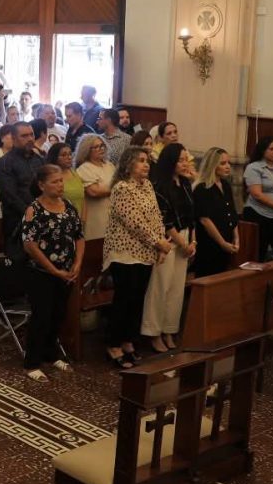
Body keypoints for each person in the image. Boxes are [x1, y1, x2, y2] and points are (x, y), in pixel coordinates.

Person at [103, 147, 171, 369]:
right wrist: (158, 242)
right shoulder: (122, 188)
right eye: (141, 160)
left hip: (145, 252)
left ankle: (128, 340)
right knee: (124, 299)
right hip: (124, 253)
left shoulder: (147, 185)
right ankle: (113, 344)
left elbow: (156, 216)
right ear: (128, 164)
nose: (146, 164)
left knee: (137, 299)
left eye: (147, 160)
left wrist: (161, 243)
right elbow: (135, 223)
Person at [20, 165, 83, 381]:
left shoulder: (69, 206)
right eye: (55, 182)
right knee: (42, 316)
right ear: (41, 185)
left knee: (58, 314)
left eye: (61, 181)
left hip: (66, 272)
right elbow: (30, 245)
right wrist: (53, 270)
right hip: (41, 272)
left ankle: (51, 353)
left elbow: (79, 236)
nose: (60, 185)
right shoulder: (34, 210)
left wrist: (77, 263)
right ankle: (32, 362)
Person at [143, 143, 195, 353]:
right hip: (167, 240)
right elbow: (165, 219)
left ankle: (169, 330)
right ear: (170, 161)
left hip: (185, 237)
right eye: (180, 160)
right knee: (161, 287)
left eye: (186, 159)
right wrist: (182, 243)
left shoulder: (185, 183)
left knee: (176, 289)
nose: (185, 163)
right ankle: (153, 332)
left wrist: (193, 241)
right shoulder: (160, 185)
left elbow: (192, 215)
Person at [0, 121, 44, 258]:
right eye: (24, 136)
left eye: (31, 135)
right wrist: (32, 214)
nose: (30, 139)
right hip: (17, 224)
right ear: (14, 139)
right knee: (18, 265)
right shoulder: (4, 163)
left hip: (42, 222)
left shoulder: (39, 160)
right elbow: (11, 196)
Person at [192, 147, 240, 277]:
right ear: (212, 166)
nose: (228, 166)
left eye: (228, 162)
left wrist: (236, 238)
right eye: (223, 163)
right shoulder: (202, 188)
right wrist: (222, 243)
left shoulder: (226, 185)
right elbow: (205, 220)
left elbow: (232, 213)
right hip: (209, 242)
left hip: (227, 240)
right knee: (207, 276)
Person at [242, 136, 273, 260]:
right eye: (272, 149)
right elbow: (257, 194)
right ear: (263, 150)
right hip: (259, 214)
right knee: (258, 253)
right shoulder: (253, 167)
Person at [75, 133, 115, 241]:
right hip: (97, 221)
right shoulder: (84, 168)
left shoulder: (109, 165)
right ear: (87, 150)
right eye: (96, 147)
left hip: (113, 218)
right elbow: (94, 191)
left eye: (102, 145)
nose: (101, 149)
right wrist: (117, 188)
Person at [46, 142, 86, 219]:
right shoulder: (51, 177)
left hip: (80, 219)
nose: (69, 157)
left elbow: (83, 199)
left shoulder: (74, 172)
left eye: (70, 154)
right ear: (55, 157)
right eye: (64, 155)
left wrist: (83, 219)